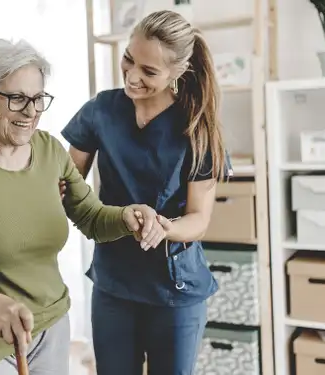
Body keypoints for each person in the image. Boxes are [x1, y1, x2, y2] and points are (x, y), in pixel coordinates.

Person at [0, 38, 164, 375]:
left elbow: (90, 216)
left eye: (38, 99)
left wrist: (128, 216)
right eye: (17, 99)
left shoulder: (49, 149)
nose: (31, 112)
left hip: (51, 327)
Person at [60, 10, 233, 375]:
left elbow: (199, 219)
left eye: (149, 71)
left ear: (176, 73)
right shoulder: (101, 111)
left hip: (175, 289)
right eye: (128, 59)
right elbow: (66, 182)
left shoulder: (196, 128)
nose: (132, 76)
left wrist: (165, 228)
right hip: (113, 283)